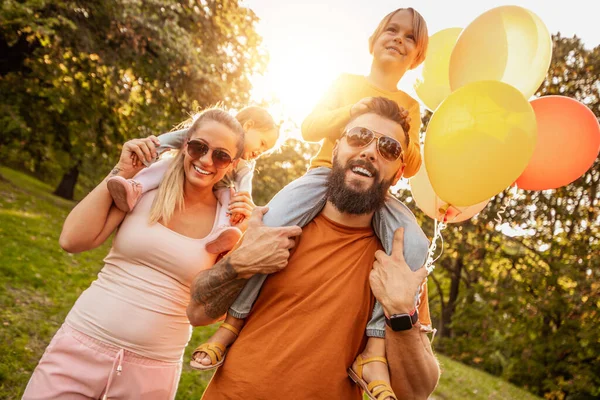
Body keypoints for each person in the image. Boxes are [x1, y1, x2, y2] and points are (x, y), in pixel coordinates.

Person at [193, 7, 431, 398]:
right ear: (374, 39)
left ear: (416, 56)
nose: (399, 40)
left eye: (410, 38)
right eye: (392, 30)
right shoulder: (346, 82)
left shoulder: (409, 104)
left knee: (416, 244)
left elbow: (414, 157)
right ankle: (233, 323)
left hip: (379, 198)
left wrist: (409, 144)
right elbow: (309, 126)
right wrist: (350, 113)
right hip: (319, 179)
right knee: (274, 221)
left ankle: (373, 353)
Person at [21, 108, 278, 400]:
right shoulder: (140, 189)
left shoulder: (228, 226)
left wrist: (240, 250)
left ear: (232, 164)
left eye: (220, 156)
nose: (206, 160)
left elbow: (208, 314)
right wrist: (121, 171)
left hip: (152, 373)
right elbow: (72, 239)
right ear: (185, 144)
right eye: (198, 147)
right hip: (80, 346)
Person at [105, 106, 280, 254]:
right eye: (263, 144)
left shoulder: (244, 165)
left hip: (219, 190)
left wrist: (242, 201)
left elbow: (244, 185)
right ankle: (135, 187)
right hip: (182, 172)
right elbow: (170, 140)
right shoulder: (209, 128)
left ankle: (223, 231)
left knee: (229, 196)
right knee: (165, 165)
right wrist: (151, 151)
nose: (260, 152)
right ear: (249, 125)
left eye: (265, 151)